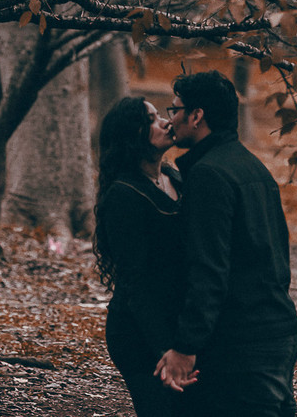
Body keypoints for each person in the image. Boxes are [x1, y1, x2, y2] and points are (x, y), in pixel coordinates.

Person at [154, 70, 297, 417]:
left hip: (243, 345)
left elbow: (208, 268)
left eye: (174, 109)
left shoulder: (209, 176)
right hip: (277, 331)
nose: (170, 119)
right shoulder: (252, 168)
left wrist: (186, 346)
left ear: (197, 115)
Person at [94, 97, 188, 417]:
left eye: (162, 115)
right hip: (138, 333)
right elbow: (135, 281)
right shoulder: (124, 195)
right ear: (132, 133)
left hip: (176, 327)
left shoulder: (175, 177)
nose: (165, 122)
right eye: (151, 119)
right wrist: (165, 349)